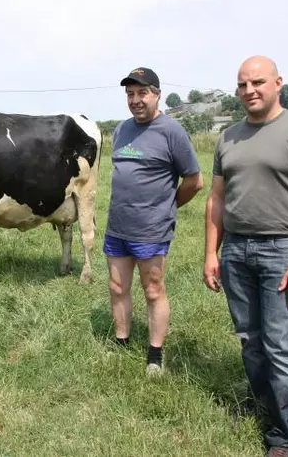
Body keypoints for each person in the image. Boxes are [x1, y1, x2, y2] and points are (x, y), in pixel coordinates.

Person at [203, 55, 288, 456]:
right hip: (236, 250)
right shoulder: (228, 137)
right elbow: (217, 198)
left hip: (282, 249)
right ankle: (265, 405)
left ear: (278, 83)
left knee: (281, 344)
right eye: (242, 85)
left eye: (257, 82)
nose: (249, 91)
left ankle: (285, 436)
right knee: (250, 340)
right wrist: (212, 252)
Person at [106, 66, 204, 376]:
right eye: (130, 94)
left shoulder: (171, 131)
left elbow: (194, 180)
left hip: (151, 229)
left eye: (142, 93)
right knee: (117, 286)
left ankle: (155, 354)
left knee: (153, 291)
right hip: (117, 226)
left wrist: (167, 206)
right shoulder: (122, 130)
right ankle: (121, 342)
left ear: (156, 94)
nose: (136, 100)